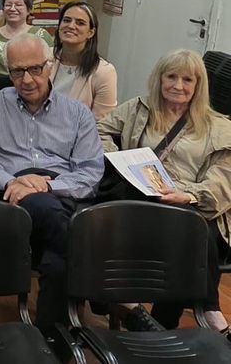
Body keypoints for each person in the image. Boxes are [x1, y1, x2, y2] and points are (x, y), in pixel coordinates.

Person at [0, 33, 103, 336]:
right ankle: (56, 335)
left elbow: (90, 173)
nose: (26, 79)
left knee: (57, 259)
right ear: (8, 71)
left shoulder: (77, 114)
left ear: (50, 66)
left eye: (35, 69)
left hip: (61, 195)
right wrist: (12, 181)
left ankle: (48, 335)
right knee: (67, 234)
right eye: (17, 71)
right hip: (7, 198)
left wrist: (46, 186)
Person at [97, 50, 231, 334]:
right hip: (139, 195)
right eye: (171, 76)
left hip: (189, 202)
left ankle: (161, 319)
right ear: (159, 79)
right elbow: (99, 129)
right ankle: (203, 312)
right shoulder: (139, 108)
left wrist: (188, 194)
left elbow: (222, 181)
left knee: (194, 226)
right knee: (184, 229)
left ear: (199, 86)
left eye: (187, 79)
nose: (178, 85)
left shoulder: (219, 127)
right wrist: (118, 159)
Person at [49, 1, 117, 119]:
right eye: (66, 20)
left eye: (80, 23)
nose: (71, 26)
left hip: (78, 135)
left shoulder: (104, 72)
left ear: (91, 33)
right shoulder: (43, 57)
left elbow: (102, 125)